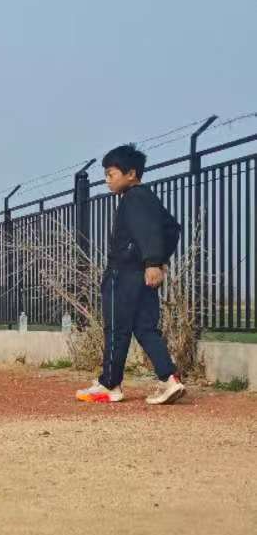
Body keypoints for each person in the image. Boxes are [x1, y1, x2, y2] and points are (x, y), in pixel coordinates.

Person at [77, 144, 186, 406]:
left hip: (123, 274)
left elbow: (147, 231)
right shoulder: (147, 197)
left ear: (131, 174)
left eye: (111, 174)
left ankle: (109, 384)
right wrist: (158, 261)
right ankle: (170, 379)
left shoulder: (133, 198)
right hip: (143, 276)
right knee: (145, 328)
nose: (107, 180)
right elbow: (172, 228)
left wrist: (153, 262)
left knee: (116, 328)